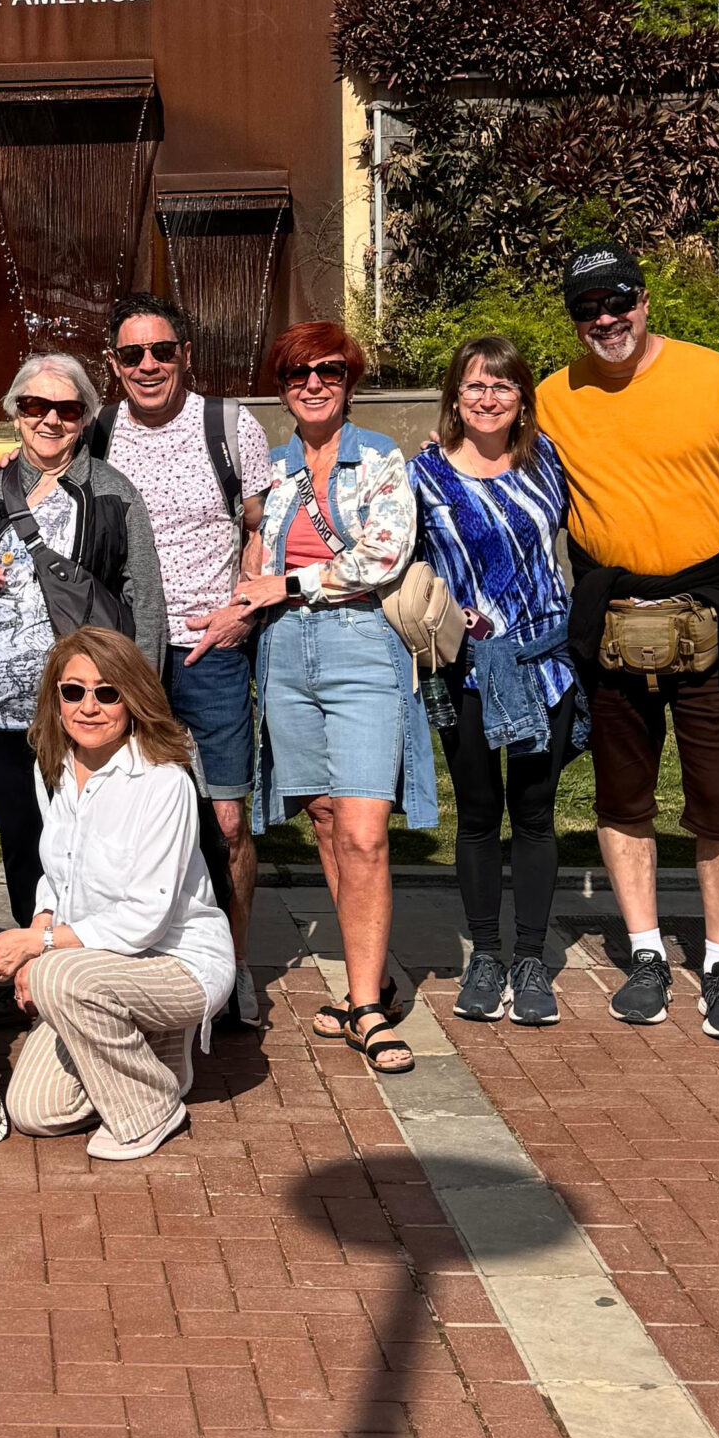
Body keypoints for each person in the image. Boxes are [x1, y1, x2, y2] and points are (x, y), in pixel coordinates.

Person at [534, 243, 719, 1041]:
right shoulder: (552, 396)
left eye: (617, 302)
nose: (605, 320)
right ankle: (646, 954)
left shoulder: (716, 376)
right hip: (613, 616)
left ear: (644, 301)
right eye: (587, 310)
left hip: (717, 608)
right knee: (622, 796)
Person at [234, 323, 431, 1076]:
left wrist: (287, 584)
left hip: (358, 646)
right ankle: (363, 977)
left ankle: (370, 1011)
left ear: (348, 382)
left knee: (364, 829)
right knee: (322, 817)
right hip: (286, 653)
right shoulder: (273, 468)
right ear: (282, 388)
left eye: (327, 372)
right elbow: (250, 552)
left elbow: (384, 553)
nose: (312, 385)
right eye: (296, 375)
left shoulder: (379, 456)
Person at [0, 627, 234, 1161]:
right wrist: (38, 930)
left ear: (133, 697)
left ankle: (151, 1108)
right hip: (94, 965)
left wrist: (38, 948)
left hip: (176, 963)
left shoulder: (164, 781)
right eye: (73, 692)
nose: (89, 706)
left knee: (54, 974)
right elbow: (56, 875)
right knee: (36, 1112)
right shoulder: (53, 769)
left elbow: (146, 918)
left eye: (107, 692)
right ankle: (151, 1048)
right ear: (56, 700)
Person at [88, 294, 273, 1028]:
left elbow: (262, 528)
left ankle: (232, 971)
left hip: (210, 648)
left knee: (226, 821)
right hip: (127, 654)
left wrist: (243, 609)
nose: (149, 366)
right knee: (126, 818)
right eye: (132, 355)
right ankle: (139, 963)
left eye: (162, 351)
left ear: (185, 353)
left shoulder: (229, 426)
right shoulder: (97, 433)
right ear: (113, 365)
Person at [0, 352, 165, 933]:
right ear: (16, 415)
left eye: (66, 409)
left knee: (86, 837)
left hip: (82, 705)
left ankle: (82, 952)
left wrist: (147, 696)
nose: (50, 420)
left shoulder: (113, 492)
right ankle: (30, 954)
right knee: (19, 834)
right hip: (0, 708)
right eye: (34, 406)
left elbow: (144, 595)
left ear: (86, 417)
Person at [410, 335, 581, 1030]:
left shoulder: (549, 466)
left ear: (522, 399)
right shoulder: (422, 475)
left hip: (545, 660)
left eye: (502, 387)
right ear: (455, 396)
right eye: (475, 387)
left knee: (536, 814)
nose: (487, 399)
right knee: (479, 814)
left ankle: (532, 959)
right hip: (467, 669)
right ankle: (485, 953)